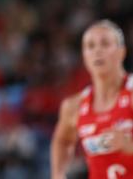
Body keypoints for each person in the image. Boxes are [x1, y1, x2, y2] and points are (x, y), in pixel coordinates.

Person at [51, 20, 133, 179]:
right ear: (84, 56)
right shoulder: (74, 105)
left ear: (121, 51)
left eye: (105, 44)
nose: (97, 51)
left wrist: (129, 145)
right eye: (90, 46)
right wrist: (58, 173)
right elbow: (63, 140)